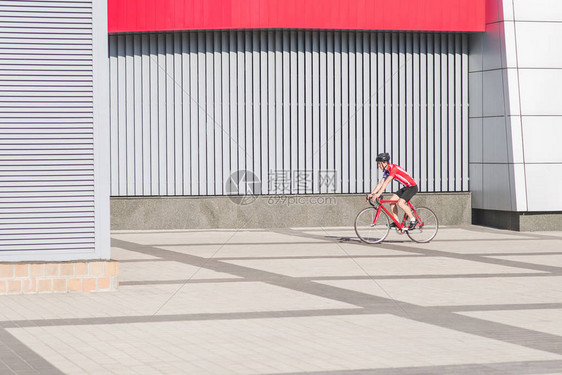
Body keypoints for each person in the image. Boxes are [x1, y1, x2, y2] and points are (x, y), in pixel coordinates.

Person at [367, 153, 418, 230]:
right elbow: (381, 183)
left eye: (379, 164)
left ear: (385, 162)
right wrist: (372, 193)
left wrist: (378, 194)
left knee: (400, 203)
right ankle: (396, 222)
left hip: (412, 187)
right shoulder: (387, 171)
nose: (378, 166)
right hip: (406, 187)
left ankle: (413, 220)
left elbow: (386, 182)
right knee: (391, 201)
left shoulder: (394, 168)